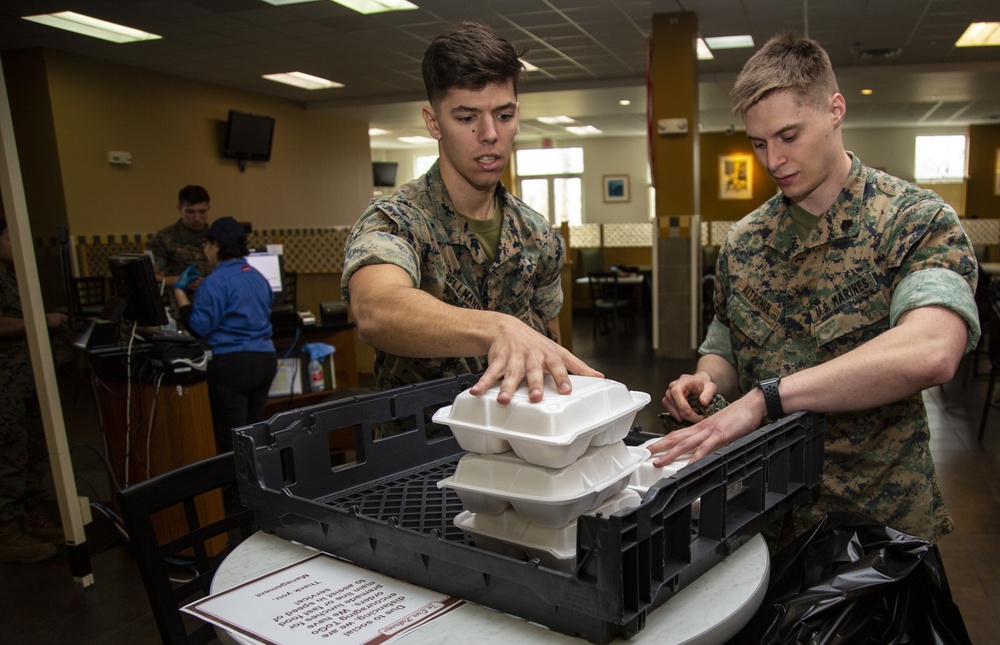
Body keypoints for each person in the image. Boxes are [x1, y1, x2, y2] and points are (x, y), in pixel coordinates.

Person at [649, 33, 979, 547]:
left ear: (835, 110)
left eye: (788, 135)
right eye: (759, 143)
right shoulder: (744, 241)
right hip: (765, 508)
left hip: (873, 522)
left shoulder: (913, 221)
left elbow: (932, 351)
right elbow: (725, 343)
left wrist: (767, 400)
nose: (773, 159)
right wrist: (705, 379)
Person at [341, 21, 600, 405]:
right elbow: (375, 310)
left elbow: (548, 338)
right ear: (434, 123)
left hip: (519, 444)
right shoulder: (398, 220)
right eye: (466, 118)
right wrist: (498, 327)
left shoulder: (536, 233)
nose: (490, 133)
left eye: (504, 114)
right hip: (424, 449)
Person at [173, 217, 276, 453]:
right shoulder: (258, 277)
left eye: (206, 244)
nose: (205, 250)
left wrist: (180, 292)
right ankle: (261, 488)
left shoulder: (214, 282)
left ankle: (237, 490)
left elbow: (200, 327)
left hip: (232, 365)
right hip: (265, 361)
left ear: (216, 245)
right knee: (256, 435)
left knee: (234, 443)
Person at [0, 218, 68, 563]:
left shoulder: (14, 275)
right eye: (12, 238)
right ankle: (7, 531)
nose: (20, 245)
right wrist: (42, 321)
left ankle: (34, 516)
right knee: (10, 455)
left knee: (35, 452)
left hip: (28, 380)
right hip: (6, 384)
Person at [146, 184, 213, 288]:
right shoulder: (163, 238)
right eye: (190, 212)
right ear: (179, 209)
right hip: (181, 299)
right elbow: (149, 277)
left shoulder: (217, 236)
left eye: (202, 212)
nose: (197, 218)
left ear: (209, 208)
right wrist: (180, 281)